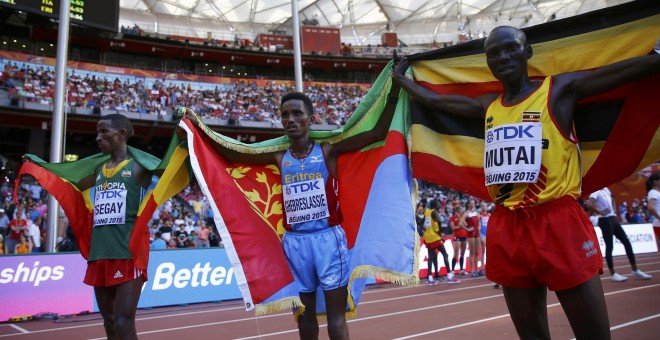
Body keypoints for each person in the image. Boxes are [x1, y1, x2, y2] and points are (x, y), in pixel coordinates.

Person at [393, 26, 660, 339]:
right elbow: (439, 103)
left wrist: (655, 58)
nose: (502, 56)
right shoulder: (488, 105)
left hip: (558, 221)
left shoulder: (557, 91)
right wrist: (402, 81)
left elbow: (619, 72)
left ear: (528, 52)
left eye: (510, 48)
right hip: (508, 226)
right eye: (493, 53)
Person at [182, 70, 401, 340]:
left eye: (297, 113)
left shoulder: (329, 150)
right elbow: (234, 152)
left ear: (312, 118)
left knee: (335, 318)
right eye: (285, 115)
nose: (290, 119)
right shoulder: (278, 156)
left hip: (328, 241)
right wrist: (199, 129)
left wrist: (395, 90)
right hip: (295, 243)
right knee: (304, 319)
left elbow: (378, 132)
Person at [51, 114, 163, 339]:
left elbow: (172, 166)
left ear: (121, 134)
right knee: (110, 323)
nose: (97, 138)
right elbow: (66, 182)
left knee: (123, 322)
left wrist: (186, 132)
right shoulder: (99, 170)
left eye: (104, 132)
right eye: (97, 132)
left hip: (128, 252)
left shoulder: (140, 167)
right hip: (100, 253)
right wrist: (38, 166)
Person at [587, 187, 651, 282]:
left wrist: (613, 210)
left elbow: (612, 198)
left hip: (613, 219)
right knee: (610, 246)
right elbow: (589, 204)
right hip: (604, 220)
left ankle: (635, 270)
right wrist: (600, 212)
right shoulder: (595, 191)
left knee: (626, 242)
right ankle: (613, 274)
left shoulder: (606, 189)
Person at [647, 173, 660, 253]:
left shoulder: (657, 193)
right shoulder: (653, 192)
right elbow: (651, 207)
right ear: (655, 182)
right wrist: (659, 217)